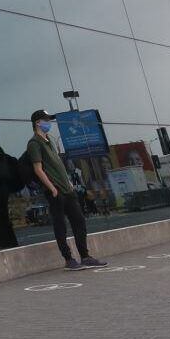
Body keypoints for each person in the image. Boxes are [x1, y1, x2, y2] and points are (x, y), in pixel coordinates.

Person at [24, 109, 107, 271]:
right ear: (37, 123)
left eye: (49, 120)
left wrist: (68, 182)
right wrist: (52, 188)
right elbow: (38, 169)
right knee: (60, 225)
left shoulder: (50, 141)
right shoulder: (34, 143)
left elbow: (58, 164)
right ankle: (69, 259)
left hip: (67, 189)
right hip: (55, 191)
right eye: (46, 120)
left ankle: (85, 256)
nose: (49, 123)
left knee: (79, 221)